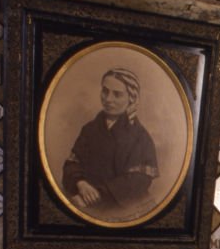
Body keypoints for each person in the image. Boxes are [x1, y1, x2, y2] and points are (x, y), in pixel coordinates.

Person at [62, 67, 158, 217]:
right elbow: (72, 163)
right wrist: (80, 183)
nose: (108, 99)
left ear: (131, 98)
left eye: (117, 94)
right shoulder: (89, 130)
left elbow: (137, 181)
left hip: (126, 210)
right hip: (86, 203)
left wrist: (96, 195)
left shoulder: (140, 137)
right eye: (105, 91)